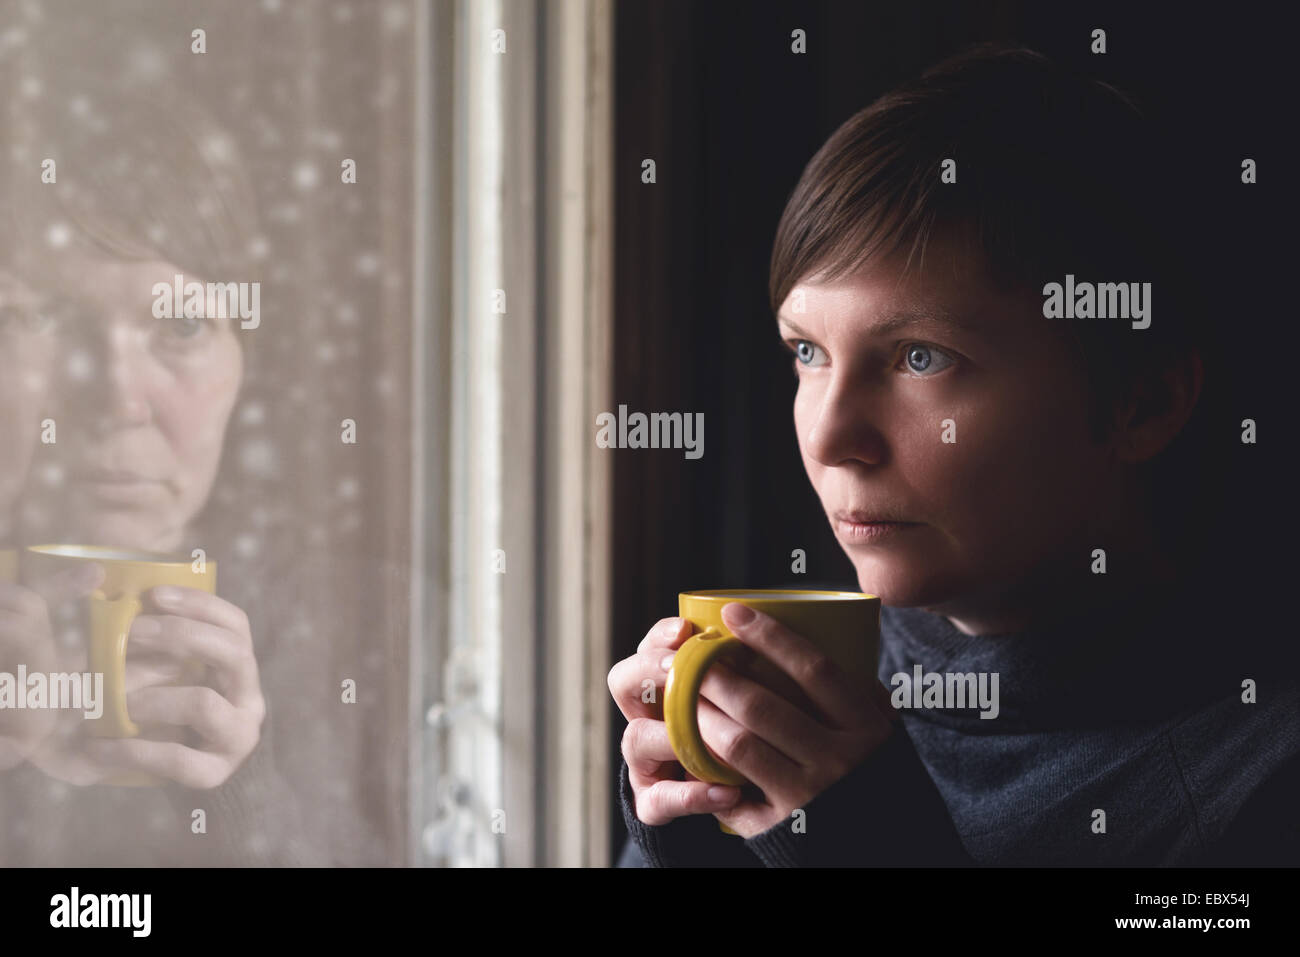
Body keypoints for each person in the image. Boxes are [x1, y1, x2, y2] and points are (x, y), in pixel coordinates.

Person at [609, 43, 1299, 867]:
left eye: (920, 358)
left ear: (1140, 404)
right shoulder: (792, 707)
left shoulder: (1260, 787)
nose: (829, 436)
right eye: (807, 351)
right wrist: (687, 847)